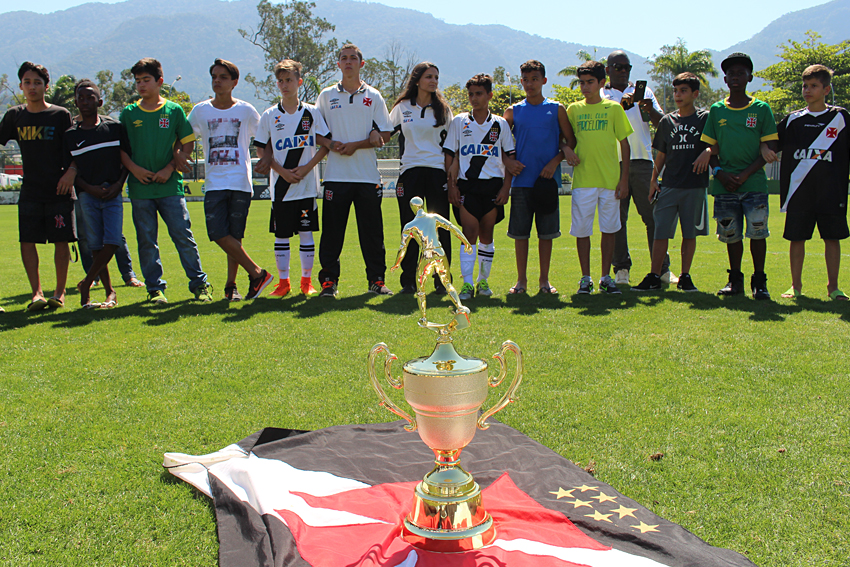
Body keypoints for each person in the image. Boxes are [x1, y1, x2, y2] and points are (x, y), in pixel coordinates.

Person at [119, 58, 213, 304]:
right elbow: (120, 150)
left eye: (146, 80)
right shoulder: (128, 114)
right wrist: (135, 170)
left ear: (159, 81)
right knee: (147, 241)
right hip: (140, 189)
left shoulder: (173, 110)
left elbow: (188, 143)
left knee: (183, 236)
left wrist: (170, 168)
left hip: (170, 186)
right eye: (138, 81)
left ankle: (200, 285)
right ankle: (155, 289)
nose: (141, 85)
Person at [761, 64, 850, 300]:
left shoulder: (840, 117)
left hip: (832, 192)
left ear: (826, 90)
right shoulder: (793, 119)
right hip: (799, 192)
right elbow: (770, 141)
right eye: (804, 86)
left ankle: (834, 288)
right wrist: (764, 148)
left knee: (832, 238)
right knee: (796, 238)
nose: (807, 90)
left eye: (813, 86)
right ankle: (796, 286)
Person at [188, 58, 272, 301]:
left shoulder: (245, 110)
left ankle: (231, 286)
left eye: (223, 77)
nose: (217, 81)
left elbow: (264, 136)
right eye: (214, 77)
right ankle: (257, 273)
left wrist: (266, 158)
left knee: (234, 237)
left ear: (234, 82)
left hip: (240, 181)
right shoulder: (200, 111)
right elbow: (184, 135)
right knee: (217, 232)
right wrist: (181, 155)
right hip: (214, 182)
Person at [315, 43, 393, 298]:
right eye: (343, 58)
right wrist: (331, 144)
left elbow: (385, 134)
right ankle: (328, 282)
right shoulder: (326, 95)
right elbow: (316, 133)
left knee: (372, 234)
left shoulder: (374, 96)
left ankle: (377, 280)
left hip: (367, 177)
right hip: (335, 176)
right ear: (338, 64)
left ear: (361, 63)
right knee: (332, 234)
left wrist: (358, 144)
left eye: (352, 58)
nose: (348, 62)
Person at [701, 52, 778, 299]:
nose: (735, 77)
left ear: (749, 77)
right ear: (725, 79)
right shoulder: (716, 110)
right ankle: (735, 280)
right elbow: (710, 148)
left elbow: (769, 147)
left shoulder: (761, 109)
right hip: (724, 185)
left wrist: (744, 175)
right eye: (731, 74)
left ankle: (760, 282)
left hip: (754, 184)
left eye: (741, 73)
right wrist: (720, 173)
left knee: (758, 232)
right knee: (731, 234)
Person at [0, 61, 76, 311]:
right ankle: (37, 293)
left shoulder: (60, 115)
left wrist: (71, 173)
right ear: (21, 86)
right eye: (27, 82)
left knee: (61, 241)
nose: (32, 87)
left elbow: (75, 149)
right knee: (27, 240)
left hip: (59, 189)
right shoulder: (15, 115)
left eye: (37, 82)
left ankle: (60, 293)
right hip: (30, 189)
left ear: (46, 86)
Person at [254, 59, 330, 298]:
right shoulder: (269, 115)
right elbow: (261, 149)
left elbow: (325, 144)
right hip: (281, 187)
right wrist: (281, 171)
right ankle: (283, 282)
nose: (284, 85)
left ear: (299, 82)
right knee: (282, 236)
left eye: (289, 80)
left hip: (306, 186)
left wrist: (307, 167)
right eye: (280, 81)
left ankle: (306, 281)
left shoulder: (311, 112)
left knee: (306, 234)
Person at [503, 60, 578, 295]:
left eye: (534, 79)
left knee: (546, 235)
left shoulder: (556, 109)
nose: (530, 84)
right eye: (525, 80)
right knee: (520, 235)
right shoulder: (513, 111)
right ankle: (521, 281)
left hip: (547, 183)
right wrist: (508, 162)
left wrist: (556, 160)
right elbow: (497, 143)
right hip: (521, 182)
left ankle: (544, 281)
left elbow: (571, 141)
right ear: (521, 81)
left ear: (544, 80)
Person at [631, 73, 710, 292]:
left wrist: (708, 151)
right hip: (669, 185)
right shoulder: (667, 121)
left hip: (694, 185)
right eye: (675, 91)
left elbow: (717, 142)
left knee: (689, 234)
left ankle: (685, 276)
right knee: (660, 232)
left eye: (683, 91)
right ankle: (654, 276)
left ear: (695, 94)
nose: (678, 95)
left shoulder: (705, 118)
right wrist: (653, 180)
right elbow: (661, 154)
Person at [602, 50, 673, 285]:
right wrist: (622, 104)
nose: (623, 71)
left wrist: (649, 108)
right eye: (618, 67)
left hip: (643, 162)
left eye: (627, 67)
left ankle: (662, 269)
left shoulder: (645, 92)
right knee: (617, 220)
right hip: (613, 163)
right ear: (608, 70)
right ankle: (621, 268)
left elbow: (662, 125)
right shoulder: (602, 94)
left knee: (653, 217)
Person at [443, 73, 515, 300]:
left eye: (479, 94)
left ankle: (483, 281)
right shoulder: (459, 121)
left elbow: (509, 157)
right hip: (467, 186)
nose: (474, 98)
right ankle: (467, 283)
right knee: (469, 232)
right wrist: (451, 185)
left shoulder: (500, 124)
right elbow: (450, 155)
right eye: (471, 94)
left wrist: (506, 188)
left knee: (487, 233)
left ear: (490, 95)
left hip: (493, 186)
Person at [567, 61, 633, 294]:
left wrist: (624, 179)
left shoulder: (614, 108)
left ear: (602, 83)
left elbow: (625, 144)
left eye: (590, 82)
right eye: (582, 83)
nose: (585, 87)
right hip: (583, 181)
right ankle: (585, 278)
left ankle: (606, 277)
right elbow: (563, 138)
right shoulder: (573, 110)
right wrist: (566, 150)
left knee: (609, 230)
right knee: (582, 231)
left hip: (609, 181)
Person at [63, 79, 130, 308]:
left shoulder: (114, 128)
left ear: (100, 102)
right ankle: (110, 292)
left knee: (113, 241)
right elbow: (71, 170)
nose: (85, 101)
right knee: (95, 245)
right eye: (80, 98)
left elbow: (125, 161)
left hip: (113, 193)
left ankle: (87, 282)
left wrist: (118, 185)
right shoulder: (70, 135)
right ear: (75, 102)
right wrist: (88, 188)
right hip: (87, 195)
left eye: (90, 97)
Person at [389, 61, 453, 295]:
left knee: (440, 228)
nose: (433, 81)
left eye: (436, 77)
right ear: (417, 80)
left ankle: (442, 280)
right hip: (410, 172)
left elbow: (452, 145)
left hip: (437, 172)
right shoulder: (402, 107)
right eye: (429, 77)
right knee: (411, 228)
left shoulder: (444, 109)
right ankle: (409, 281)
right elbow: (385, 132)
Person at [390, 196, 472, 326]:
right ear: (422, 205)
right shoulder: (434, 217)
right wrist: (466, 242)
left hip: (426, 255)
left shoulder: (409, 226)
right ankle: (460, 306)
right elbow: (452, 228)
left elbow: (403, 248)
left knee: (420, 288)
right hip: (439, 252)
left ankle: (423, 317)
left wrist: (397, 263)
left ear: (412, 208)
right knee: (447, 283)